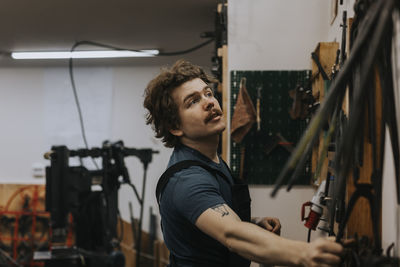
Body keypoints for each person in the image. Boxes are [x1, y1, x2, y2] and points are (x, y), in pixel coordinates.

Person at [143, 60, 343, 267]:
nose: (209, 102)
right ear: (175, 126)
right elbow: (232, 234)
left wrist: (253, 223)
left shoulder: (210, 160)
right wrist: (306, 253)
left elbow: (215, 220)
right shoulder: (187, 180)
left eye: (208, 93)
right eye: (192, 101)